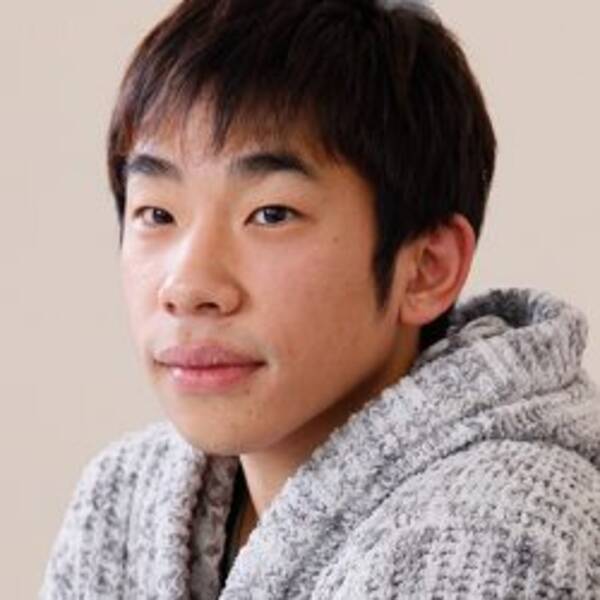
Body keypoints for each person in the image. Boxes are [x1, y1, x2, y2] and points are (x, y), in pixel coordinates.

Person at [41, 0, 600, 597]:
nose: (189, 286)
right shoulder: (123, 500)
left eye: (271, 214)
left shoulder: (498, 532)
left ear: (425, 269)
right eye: (157, 213)